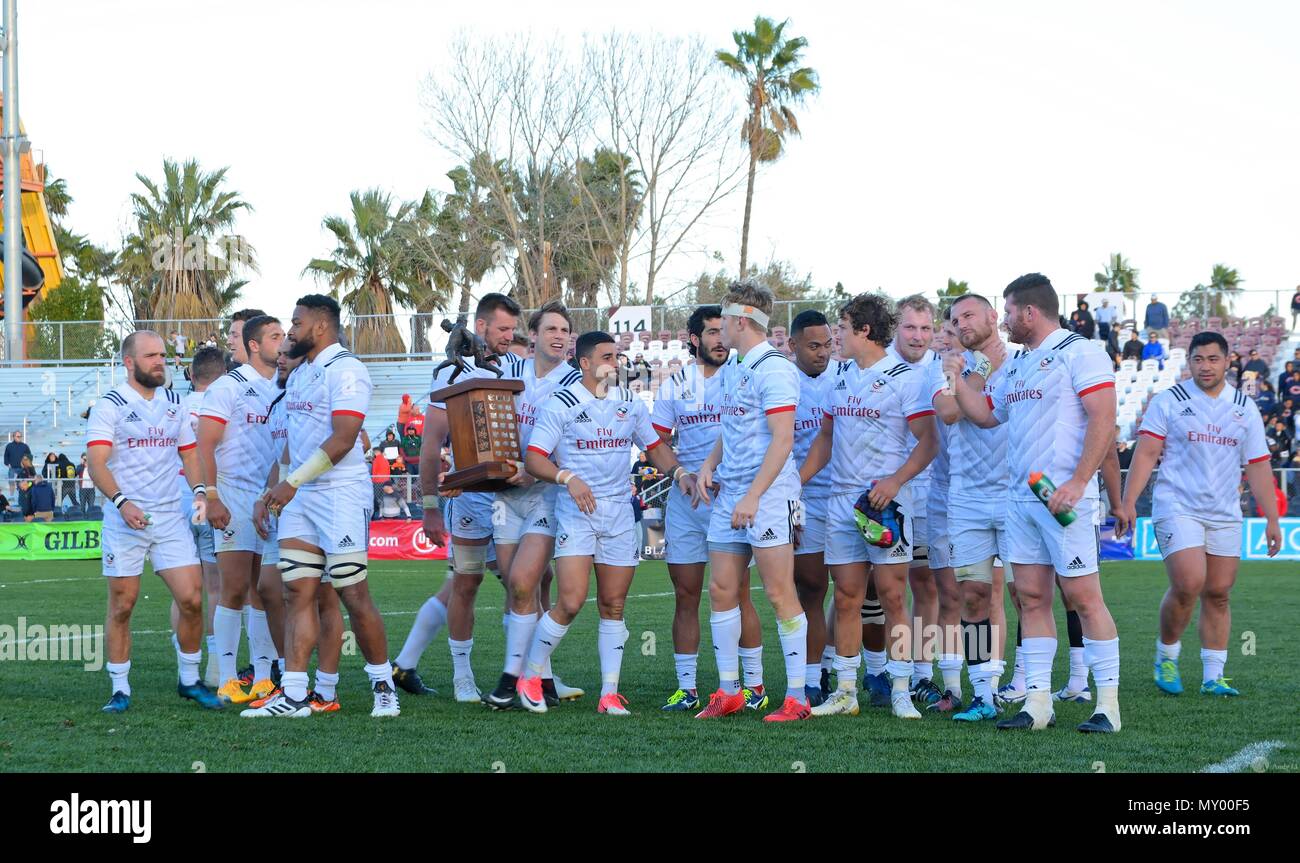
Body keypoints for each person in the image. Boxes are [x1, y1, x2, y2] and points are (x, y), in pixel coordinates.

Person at [947, 273, 1122, 733]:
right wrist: (956, 379)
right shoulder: (1020, 365)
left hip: (1064, 499)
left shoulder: (1081, 352)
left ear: (1029, 312)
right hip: (1020, 501)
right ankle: (1037, 704)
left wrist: (1080, 482)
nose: (1003, 322)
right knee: (1030, 597)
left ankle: (1107, 706)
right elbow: (986, 416)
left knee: (1084, 597)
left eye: (1007, 312)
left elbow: (1105, 418)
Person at [514, 330, 696, 716]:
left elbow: (654, 448)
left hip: (617, 513)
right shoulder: (560, 403)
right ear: (585, 363)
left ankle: (608, 694)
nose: (617, 363)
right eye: (609, 357)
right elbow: (534, 458)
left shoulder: (629, 402)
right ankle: (529, 676)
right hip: (576, 514)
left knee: (614, 605)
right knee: (571, 600)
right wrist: (568, 478)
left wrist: (679, 473)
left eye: (618, 356)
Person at [244, 294, 400, 719]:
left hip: (340, 494)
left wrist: (290, 484)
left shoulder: (347, 369)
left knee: (352, 592)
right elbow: (294, 448)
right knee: (297, 591)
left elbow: (345, 437)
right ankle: (295, 694)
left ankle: (383, 685)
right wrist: (274, 489)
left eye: (296, 323)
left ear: (320, 326)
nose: (290, 332)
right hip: (303, 495)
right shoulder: (300, 374)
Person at [799, 292, 938, 721]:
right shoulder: (837, 377)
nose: (836, 336)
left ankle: (900, 689)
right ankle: (844, 690)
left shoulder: (905, 378)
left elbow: (929, 442)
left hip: (886, 505)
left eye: (842, 328)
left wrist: (895, 482)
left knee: (895, 596)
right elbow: (824, 437)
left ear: (864, 330)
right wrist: (796, 481)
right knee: (846, 597)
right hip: (841, 503)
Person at [1121, 331, 1281, 698]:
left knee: (1219, 591)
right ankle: (1167, 655)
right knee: (1189, 582)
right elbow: (1146, 454)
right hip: (1177, 506)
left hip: (1224, 511)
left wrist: (1271, 519)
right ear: (1188, 361)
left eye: (1213, 359)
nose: (1205, 366)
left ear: (1227, 362)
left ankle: (1213, 676)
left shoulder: (1245, 407)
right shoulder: (1170, 400)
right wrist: (1129, 503)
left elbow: (1257, 465)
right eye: (1198, 359)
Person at [691, 281, 813, 723]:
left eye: (723, 318)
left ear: (741, 320)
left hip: (768, 497)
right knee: (721, 590)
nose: (719, 327)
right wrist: (709, 464)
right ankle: (729, 691)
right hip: (732, 496)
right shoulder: (737, 367)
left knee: (780, 593)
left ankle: (797, 698)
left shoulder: (775, 369)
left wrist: (755, 495)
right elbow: (732, 429)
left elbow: (783, 441)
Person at [86, 329, 223, 714]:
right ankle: (119, 688)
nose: (159, 361)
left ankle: (190, 680)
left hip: (169, 518)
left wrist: (199, 490)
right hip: (124, 518)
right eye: (150, 356)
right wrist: (121, 502)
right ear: (129, 363)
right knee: (123, 605)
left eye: (162, 355)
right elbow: (96, 463)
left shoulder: (176, 403)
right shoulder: (110, 405)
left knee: (193, 600)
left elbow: (190, 454)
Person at [647, 304, 767, 714]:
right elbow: (655, 441)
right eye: (711, 333)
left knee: (738, 595)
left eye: (723, 331)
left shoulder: (745, 375)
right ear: (694, 339)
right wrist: (680, 473)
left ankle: (753, 686)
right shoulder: (674, 384)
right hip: (687, 504)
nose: (720, 339)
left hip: (732, 500)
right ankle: (687, 688)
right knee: (686, 594)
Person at [417, 293, 526, 702]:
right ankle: (463, 675)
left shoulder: (517, 366)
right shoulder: (450, 374)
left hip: (515, 493)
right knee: (467, 582)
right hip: (469, 497)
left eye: (513, 330)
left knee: (528, 581)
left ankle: (529, 675)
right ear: (480, 326)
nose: (508, 336)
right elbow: (431, 446)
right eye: (502, 329)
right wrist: (430, 506)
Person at [195, 314, 285, 705]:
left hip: (268, 498)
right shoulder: (229, 386)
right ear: (253, 345)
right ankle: (228, 678)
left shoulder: (285, 385)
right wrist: (211, 496)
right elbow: (204, 444)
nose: (284, 341)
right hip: (231, 493)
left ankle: (263, 677)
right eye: (275, 336)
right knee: (233, 587)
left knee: (263, 589)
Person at [936, 294, 1016, 723]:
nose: (962, 323)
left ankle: (1024, 685)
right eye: (955, 318)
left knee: (1026, 592)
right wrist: (977, 369)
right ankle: (982, 693)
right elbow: (949, 411)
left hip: (1013, 493)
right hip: (966, 497)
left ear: (993, 317)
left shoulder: (1023, 363)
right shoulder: (949, 366)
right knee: (973, 595)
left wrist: (974, 372)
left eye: (969, 315)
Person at [886, 295, 955, 707]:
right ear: (896, 327)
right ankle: (878, 671)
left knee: (927, 583)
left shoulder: (939, 371)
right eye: (910, 327)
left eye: (926, 329)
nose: (918, 336)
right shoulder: (875, 366)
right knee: (875, 589)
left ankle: (922, 673)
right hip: (885, 493)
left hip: (930, 492)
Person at [787, 310, 835, 707]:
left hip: (852, 497)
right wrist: (791, 499)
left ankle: (869, 670)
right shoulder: (783, 381)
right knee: (812, 587)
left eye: (827, 345)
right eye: (813, 346)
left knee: (867, 591)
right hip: (804, 499)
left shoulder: (846, 375)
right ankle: (812, 674)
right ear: (793, 346)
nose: (822, 353)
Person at [180, 346, 226, 687]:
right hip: (208, 496)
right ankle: (214, 664)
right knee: (215, 586)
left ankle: (185, 658)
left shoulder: (175, 407)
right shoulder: (222, 405)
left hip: (177, 501)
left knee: (183, 588)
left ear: (192, 375)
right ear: (222, 376)